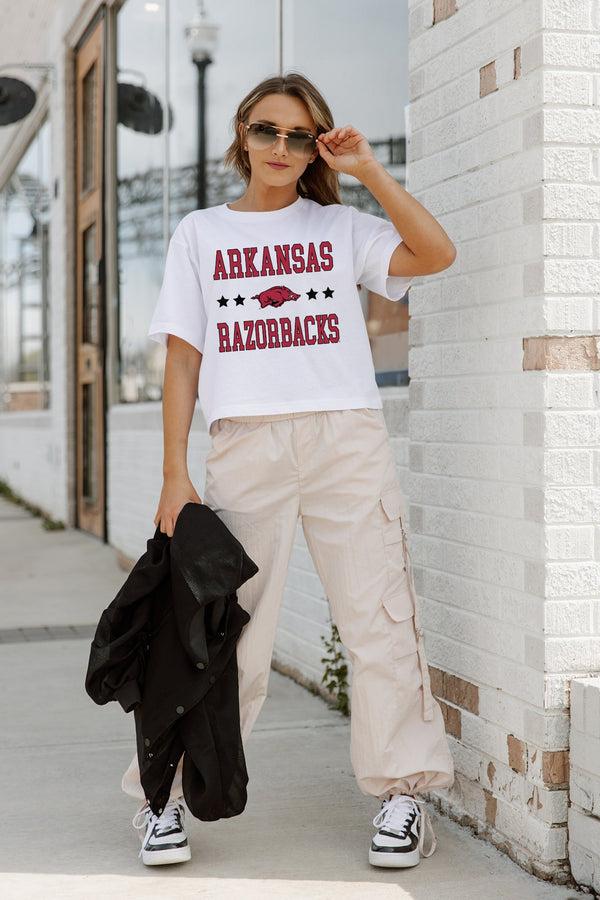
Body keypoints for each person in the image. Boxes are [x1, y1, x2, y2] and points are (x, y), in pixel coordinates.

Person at [123, 71, 457, 868]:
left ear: (316, 146)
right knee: (218, 633)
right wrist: (176, 470)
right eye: (268, 130)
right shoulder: (201, 235)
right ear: (243, 133)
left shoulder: (340, 227)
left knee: (378, 618)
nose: (281, 147)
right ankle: (157, 799)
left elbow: (435, 254)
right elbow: (182, 361)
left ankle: (400, 794)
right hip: (246, 444)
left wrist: (369, 171)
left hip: (345, 439)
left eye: (299, 135)